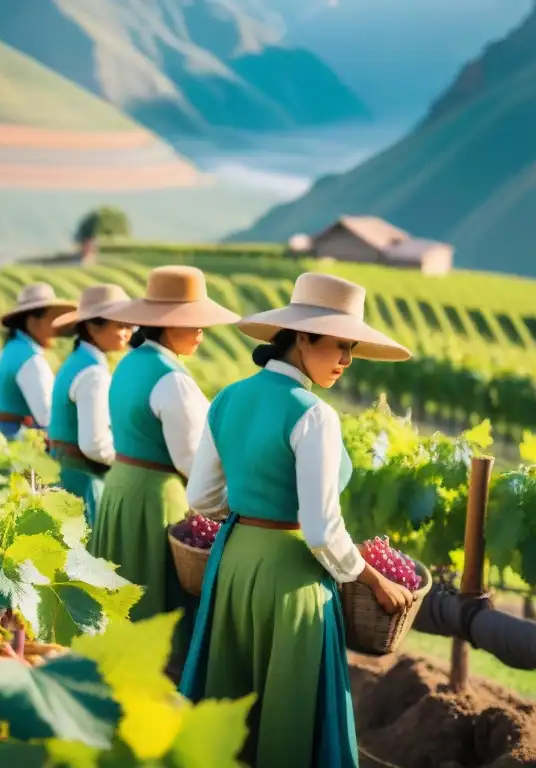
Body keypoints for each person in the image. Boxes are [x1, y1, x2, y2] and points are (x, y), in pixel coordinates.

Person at [180, 272, 415, 768]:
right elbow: (322, 529)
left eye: (352, 349)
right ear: (302, 336)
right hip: (291, 580)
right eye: (340, 346)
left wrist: (250, 518)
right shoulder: (314, 416)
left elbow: (201, 497)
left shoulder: (226, 398)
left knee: (231, 708)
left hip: (234, 563)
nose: (347, 361)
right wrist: (373, 579)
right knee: (287, 715)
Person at [89, 265, 239, 632]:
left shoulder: (128, 364)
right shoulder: (172, 378)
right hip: (156, 498)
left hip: (121, 489)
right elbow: (192, 460)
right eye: (195, 322)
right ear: (170, 322)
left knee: (120, 594)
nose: (202, 332)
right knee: (154, 601)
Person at [48, 284, 134, 528]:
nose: (127, 332)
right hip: (82, 482)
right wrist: (128, 466)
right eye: (120, 325)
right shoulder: (93, 373)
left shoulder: (77, 361)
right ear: (93, 325)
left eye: (129, 325)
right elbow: (94, 444)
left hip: (67, 474)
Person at [0, 282, 76, 440]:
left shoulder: (11, 349)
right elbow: (47, 416)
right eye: (52, 319)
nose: (56, 327)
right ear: (33, 322)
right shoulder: (30, 360)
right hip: (19, 448)